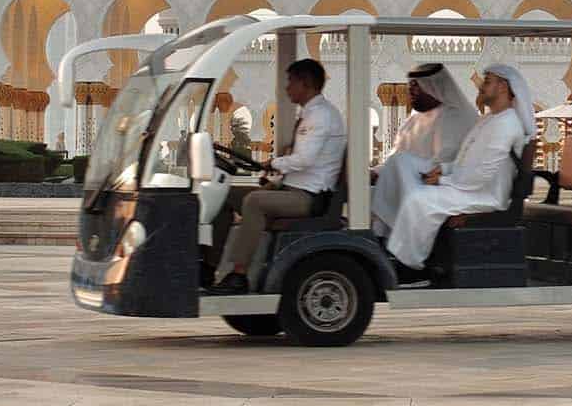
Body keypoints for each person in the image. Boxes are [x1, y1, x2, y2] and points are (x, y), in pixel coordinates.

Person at [206, 58, 346, 296]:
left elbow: (305, 160)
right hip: (292, 189)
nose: (287, 88)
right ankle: (209, 268)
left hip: (308, 197)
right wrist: (275, 179)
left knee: (254, 202)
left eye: (291, 82)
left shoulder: (321, 116)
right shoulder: (309, 114)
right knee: (225, 195)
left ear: (306, 83)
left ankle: (238, 275)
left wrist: (272, 162)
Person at [383, 62, 535, 273]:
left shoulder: (506, 124)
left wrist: (443, 181)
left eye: (488, 82)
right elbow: (467, 159)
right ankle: (399, 247)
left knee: (419, 199)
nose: (481, 86)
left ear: (503, 87)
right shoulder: (491, 119)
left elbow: (480, 175)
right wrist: (443, 170)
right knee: (410, 177)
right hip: (471, 186)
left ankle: (411, 265)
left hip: (486, 195)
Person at [371, 63, 477, 239]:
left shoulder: (455, 117)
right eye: (410, 84)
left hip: (440, 187)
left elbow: (440, 166)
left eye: (416, 85)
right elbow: (396, 155)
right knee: (368, 192)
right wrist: (375, 173)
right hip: (412, 181)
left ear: (434, 87)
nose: (410, 90)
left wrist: (398, 172)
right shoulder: (414, 119)